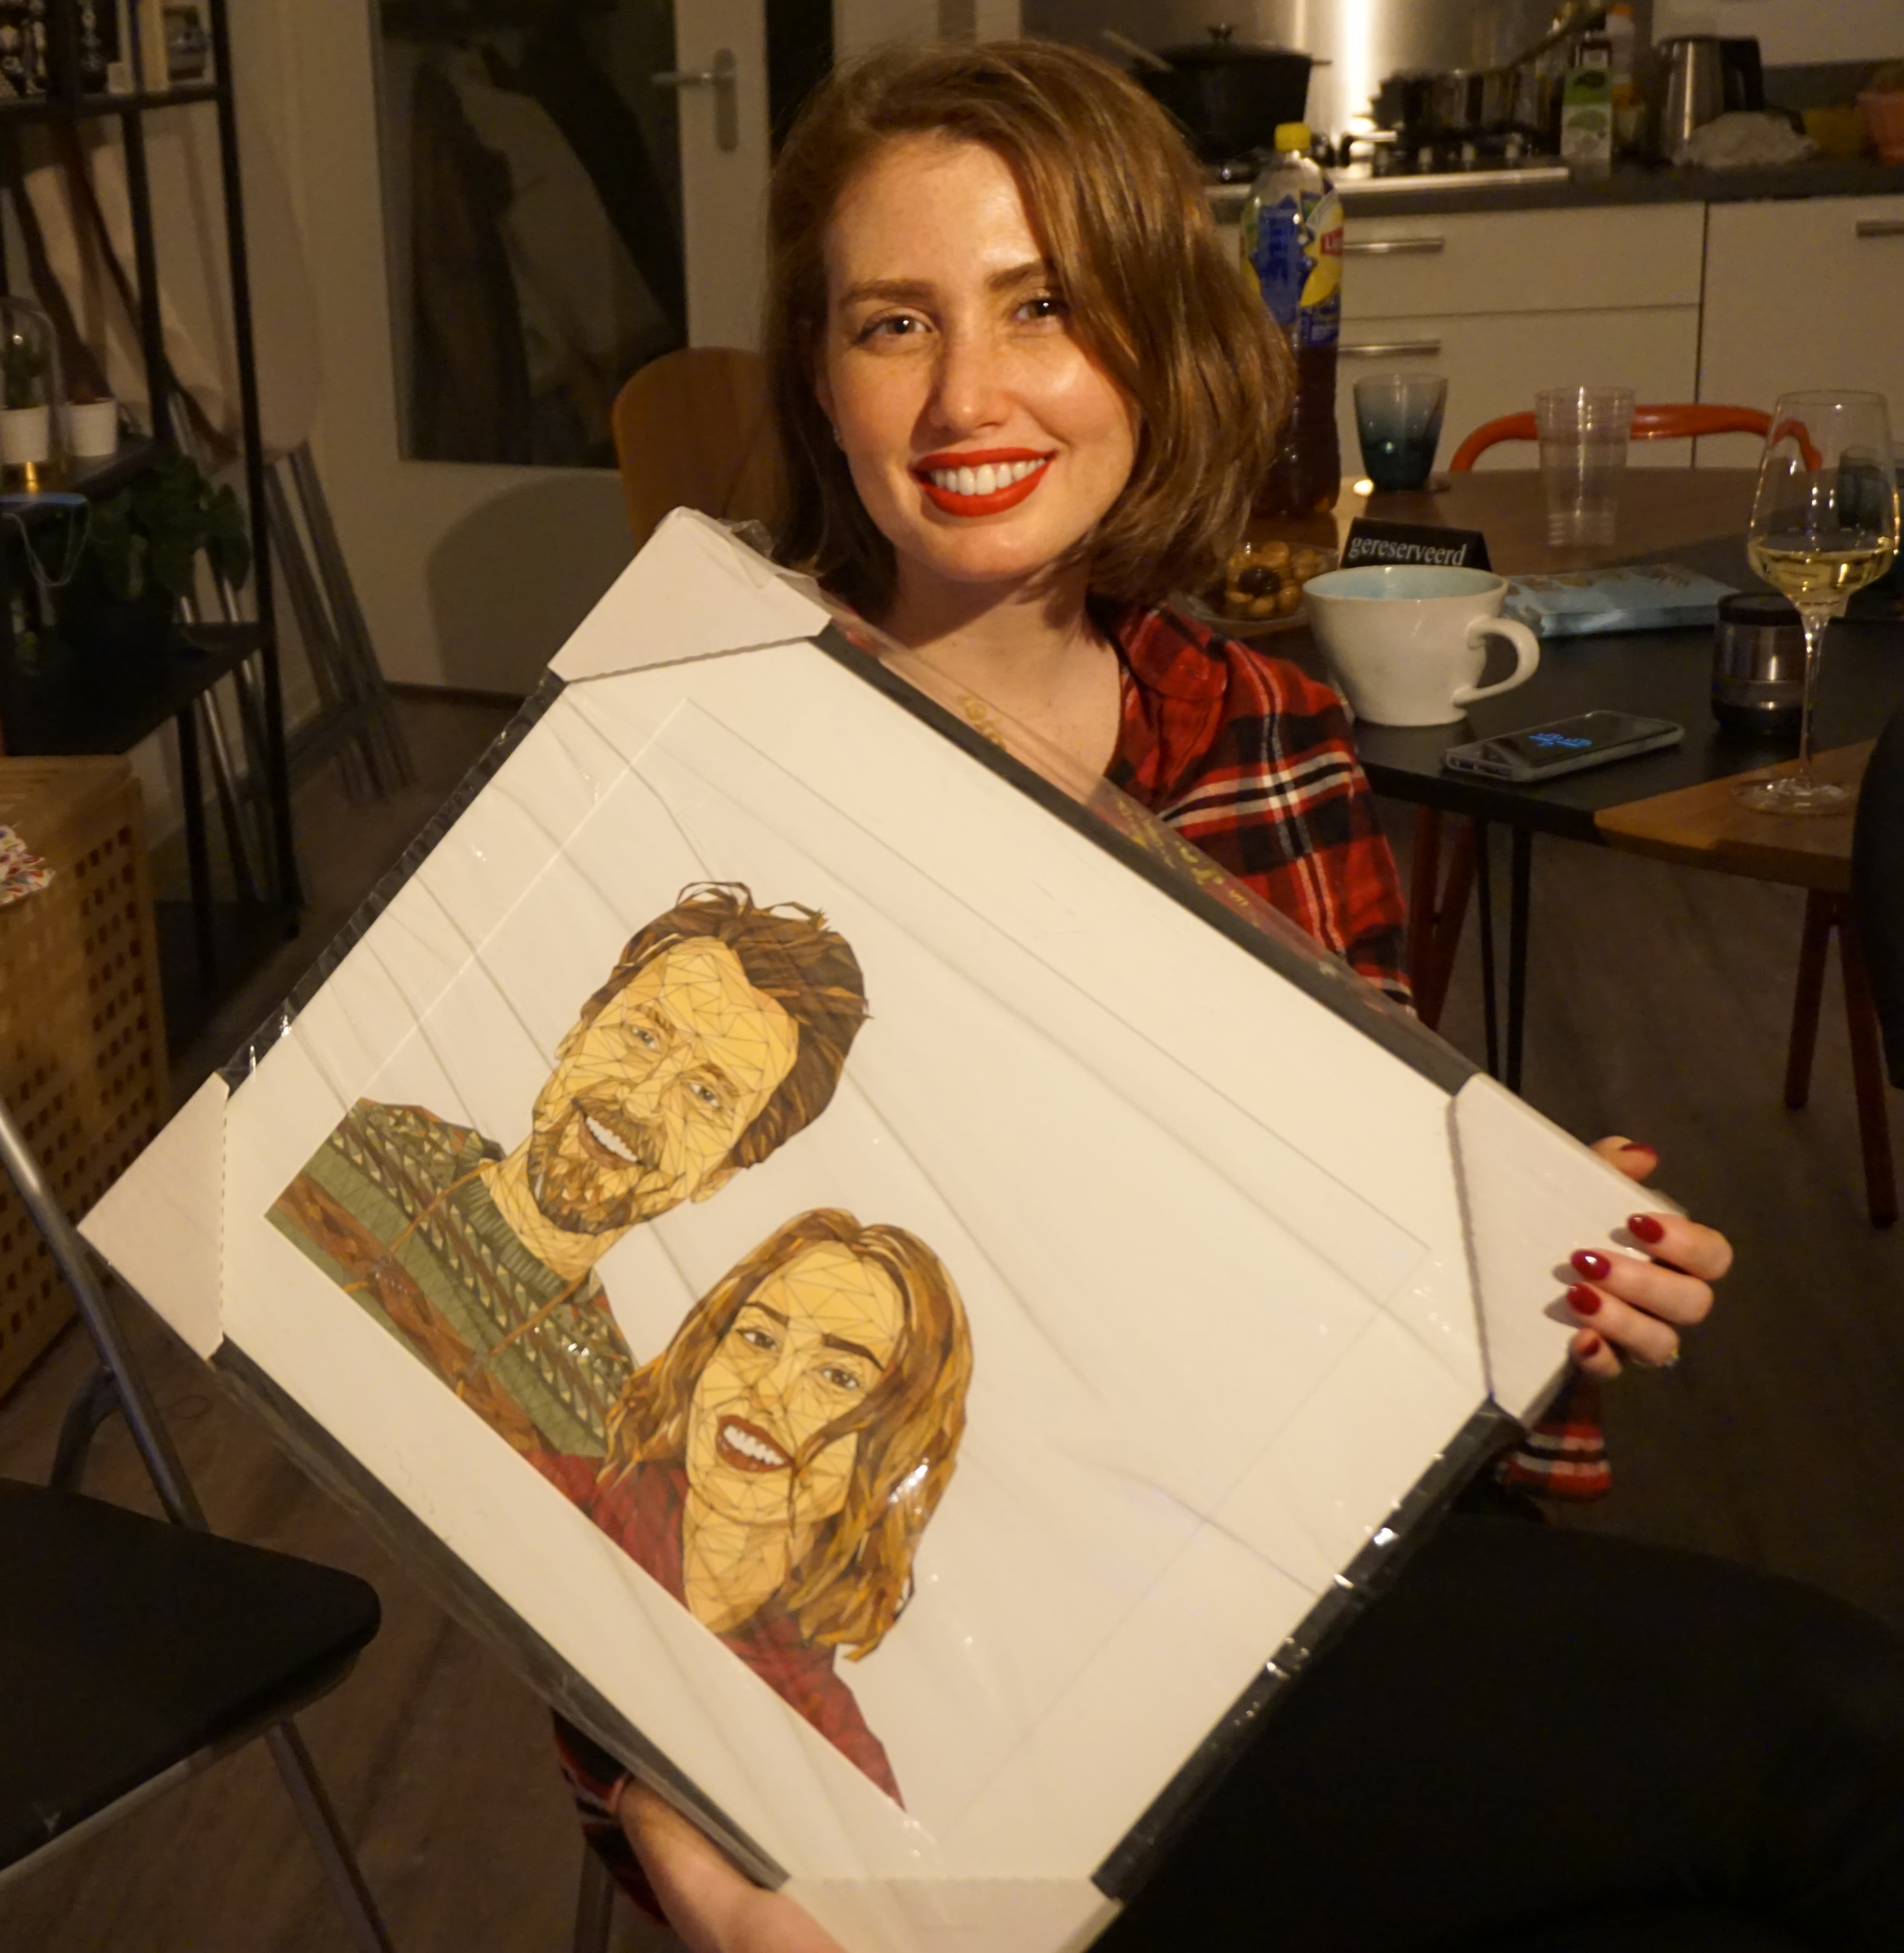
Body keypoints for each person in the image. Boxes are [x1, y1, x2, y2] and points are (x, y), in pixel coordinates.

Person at [573, 36, 1904, 1952]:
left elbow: (1347, 1234)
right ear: (819, 374)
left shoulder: (1260, 726)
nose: (967, 394)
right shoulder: (696, 761)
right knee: (1839, 1746)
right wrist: (664, 1808)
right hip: (955, 1667)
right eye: (893, 322)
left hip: (1298, 1575)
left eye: (1043, 305)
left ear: (1152, 339)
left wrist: (1528, 1264)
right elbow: (564, 1382)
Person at [268, 882, 868, 1455]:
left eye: (706, 1095)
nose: (641, 1100)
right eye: (643, 1035)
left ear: (720, 1173)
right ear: (578, 1031)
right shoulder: (342, 1140)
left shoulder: (593, 1424)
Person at [529, 1210, 972, 1801]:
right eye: (759, 1338)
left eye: (838, 1376)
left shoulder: (835, 1759)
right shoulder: (558, 1492)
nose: (768, 1391)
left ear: (894, 1451)